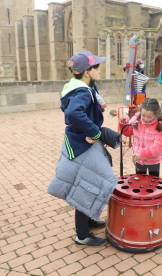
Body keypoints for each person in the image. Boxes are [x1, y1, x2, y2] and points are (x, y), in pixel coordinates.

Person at [49, 50, 115, 247]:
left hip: (79, 142)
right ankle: (83, 235)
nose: (99, 71)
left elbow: (83, 100)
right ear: (87, 72)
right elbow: (73, 112)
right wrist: (95, 132)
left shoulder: (79, 86)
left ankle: (88, 222)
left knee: (90, 183)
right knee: (87, 187)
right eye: (97, 68)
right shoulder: (82, 91)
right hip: (83, 144)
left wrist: (98, 103)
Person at [120, 98, 162, 176]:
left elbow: (158, 147)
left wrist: (141, 154)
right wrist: (124, 122)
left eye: (149, 117)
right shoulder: (136, 119)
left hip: (153, 161)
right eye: (143, 115)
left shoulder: (161, 125)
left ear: (156, 114)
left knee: (153, 183)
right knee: (139, 182)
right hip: (139, 160)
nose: (145, 119)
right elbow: (127, 132)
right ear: (140, 112)